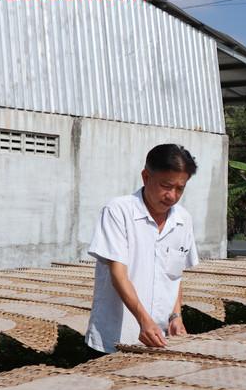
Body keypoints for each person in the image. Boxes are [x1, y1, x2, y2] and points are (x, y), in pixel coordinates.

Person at [85, 144, 200, 353]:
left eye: (180, 188)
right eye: (166, 186)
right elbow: (118, 274)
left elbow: (174, 275)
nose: (172, 196)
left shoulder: (183, 220)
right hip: (115, 336)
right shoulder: (118, 212)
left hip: (159, 338)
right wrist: (143, 320)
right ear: (146, 177)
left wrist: (175, 316)